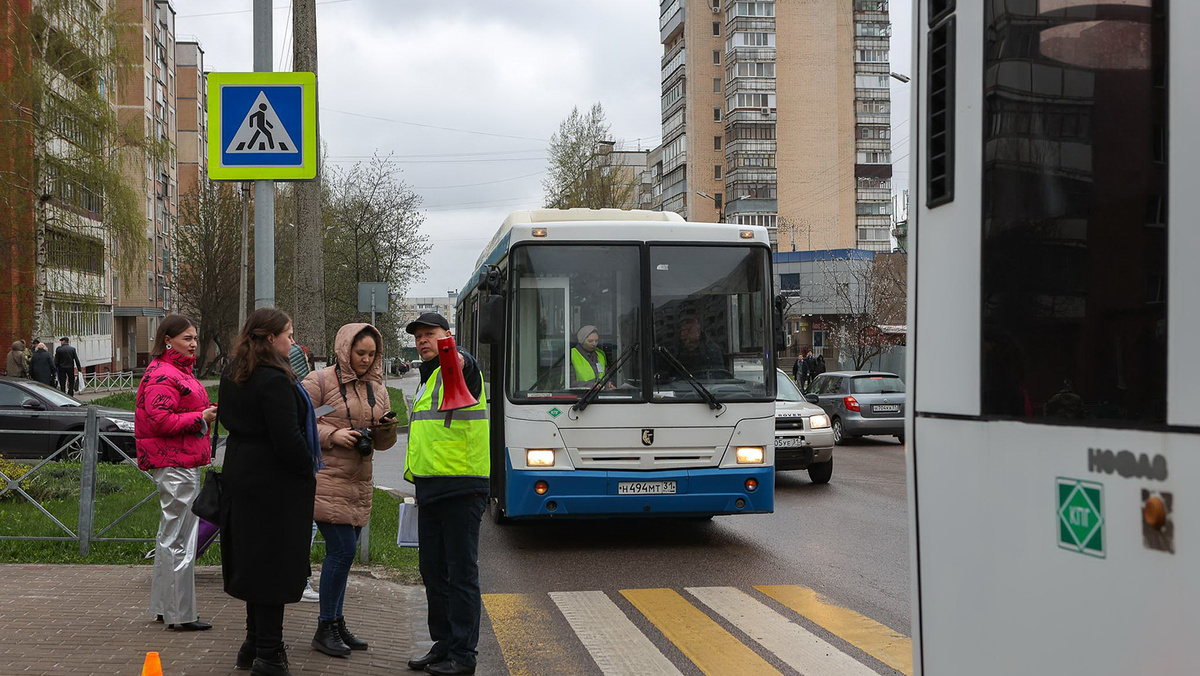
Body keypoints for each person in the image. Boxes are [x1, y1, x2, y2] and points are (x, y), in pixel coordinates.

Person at [218, 308, 320, 676]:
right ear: (270, 337)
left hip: (242, 474)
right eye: (289, 335)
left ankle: (253, 642)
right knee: (274, 567)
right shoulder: (273, 379)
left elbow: (229, 419)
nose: (292, 342)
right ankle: (269, 654)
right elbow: (288, 439)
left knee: (253, 562)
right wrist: (307, 465)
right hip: (274, 485)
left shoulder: (234, 373)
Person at [403, 312, 488, 676]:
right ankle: (443, 644)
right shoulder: (426, 379)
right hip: (431, 488)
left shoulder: (460, 367)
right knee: (433, 572)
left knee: (460, 574)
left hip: (463, 487)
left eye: (431, 334)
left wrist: (455, 351)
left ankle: (463, 656)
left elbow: (463, 360)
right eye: (419, 335)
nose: (424, 340)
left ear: (447, 336)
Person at [301, 323, 392, 658]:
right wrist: (333, 435)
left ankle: (336, 623)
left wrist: (385, 430)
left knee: (345, 554)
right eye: (359, 353)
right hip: (325, 479)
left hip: (358, 480)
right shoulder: (320, 381)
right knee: (341, 552)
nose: (366, 360)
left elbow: (382, 442)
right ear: (344, 349)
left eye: (371, 354)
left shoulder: (378, 389)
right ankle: (325, 627)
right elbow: (301, 420)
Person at [134, 314, 217, 632]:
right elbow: (160, 421)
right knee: (181, 538)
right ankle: (180, 614)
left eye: (195, 338)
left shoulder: (175, 370)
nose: (193, 343)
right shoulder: (164, 374)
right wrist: (201, 417)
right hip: (175, 462)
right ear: (167, 340)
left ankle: (163, 606)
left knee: (172, 534)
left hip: (180, 460)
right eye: (187, 338)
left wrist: (201, 414)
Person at [287, 342, 321, 605]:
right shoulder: (292, 386)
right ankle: (297, 579)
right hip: (293, 472)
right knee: (302, 525)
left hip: (297, 469)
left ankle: (296, 578)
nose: (293, 341)